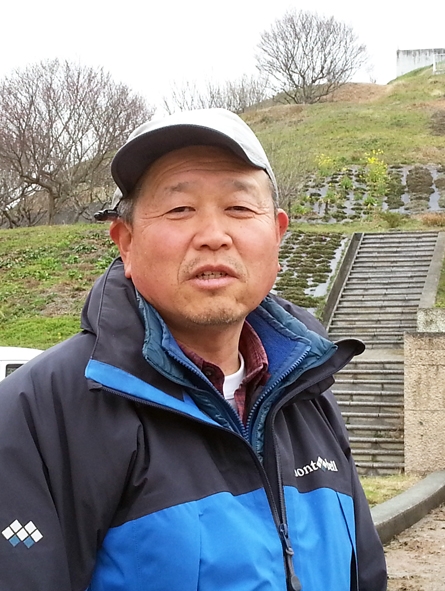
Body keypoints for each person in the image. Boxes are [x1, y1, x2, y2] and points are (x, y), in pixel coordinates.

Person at [0, 108, 387, 591]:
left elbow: (364, 573)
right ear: (126, 242)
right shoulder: (38, 412)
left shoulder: (307, 393)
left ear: (277, 235)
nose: (213, 236)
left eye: (239, 208)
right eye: (180, 209)